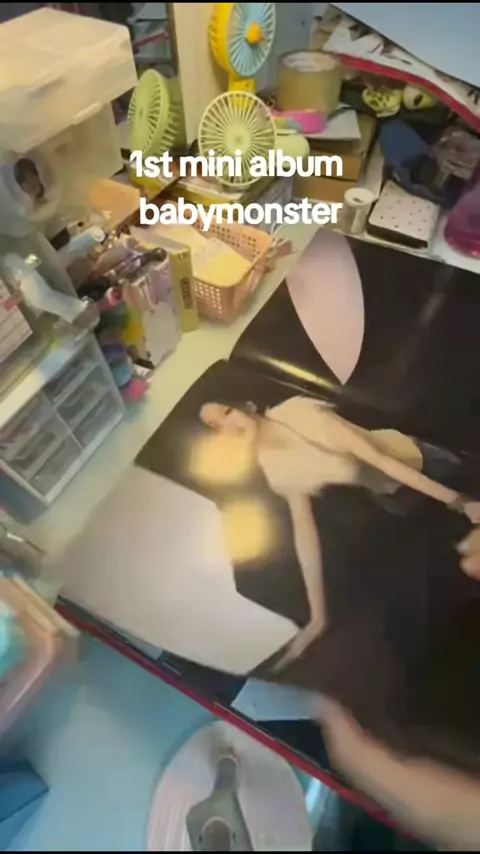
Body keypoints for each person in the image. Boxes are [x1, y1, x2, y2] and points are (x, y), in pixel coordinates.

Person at [199, 395, 480, 668]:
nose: (226, 425)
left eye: (227, 412)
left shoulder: (299, 413)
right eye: (215, 425)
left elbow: (379, 459)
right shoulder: (274, 466)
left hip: (424, 465)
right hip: (397, 497)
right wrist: (317, 617)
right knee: (463, 563)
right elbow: (305, 536)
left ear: (248, 406)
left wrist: (460, 501)